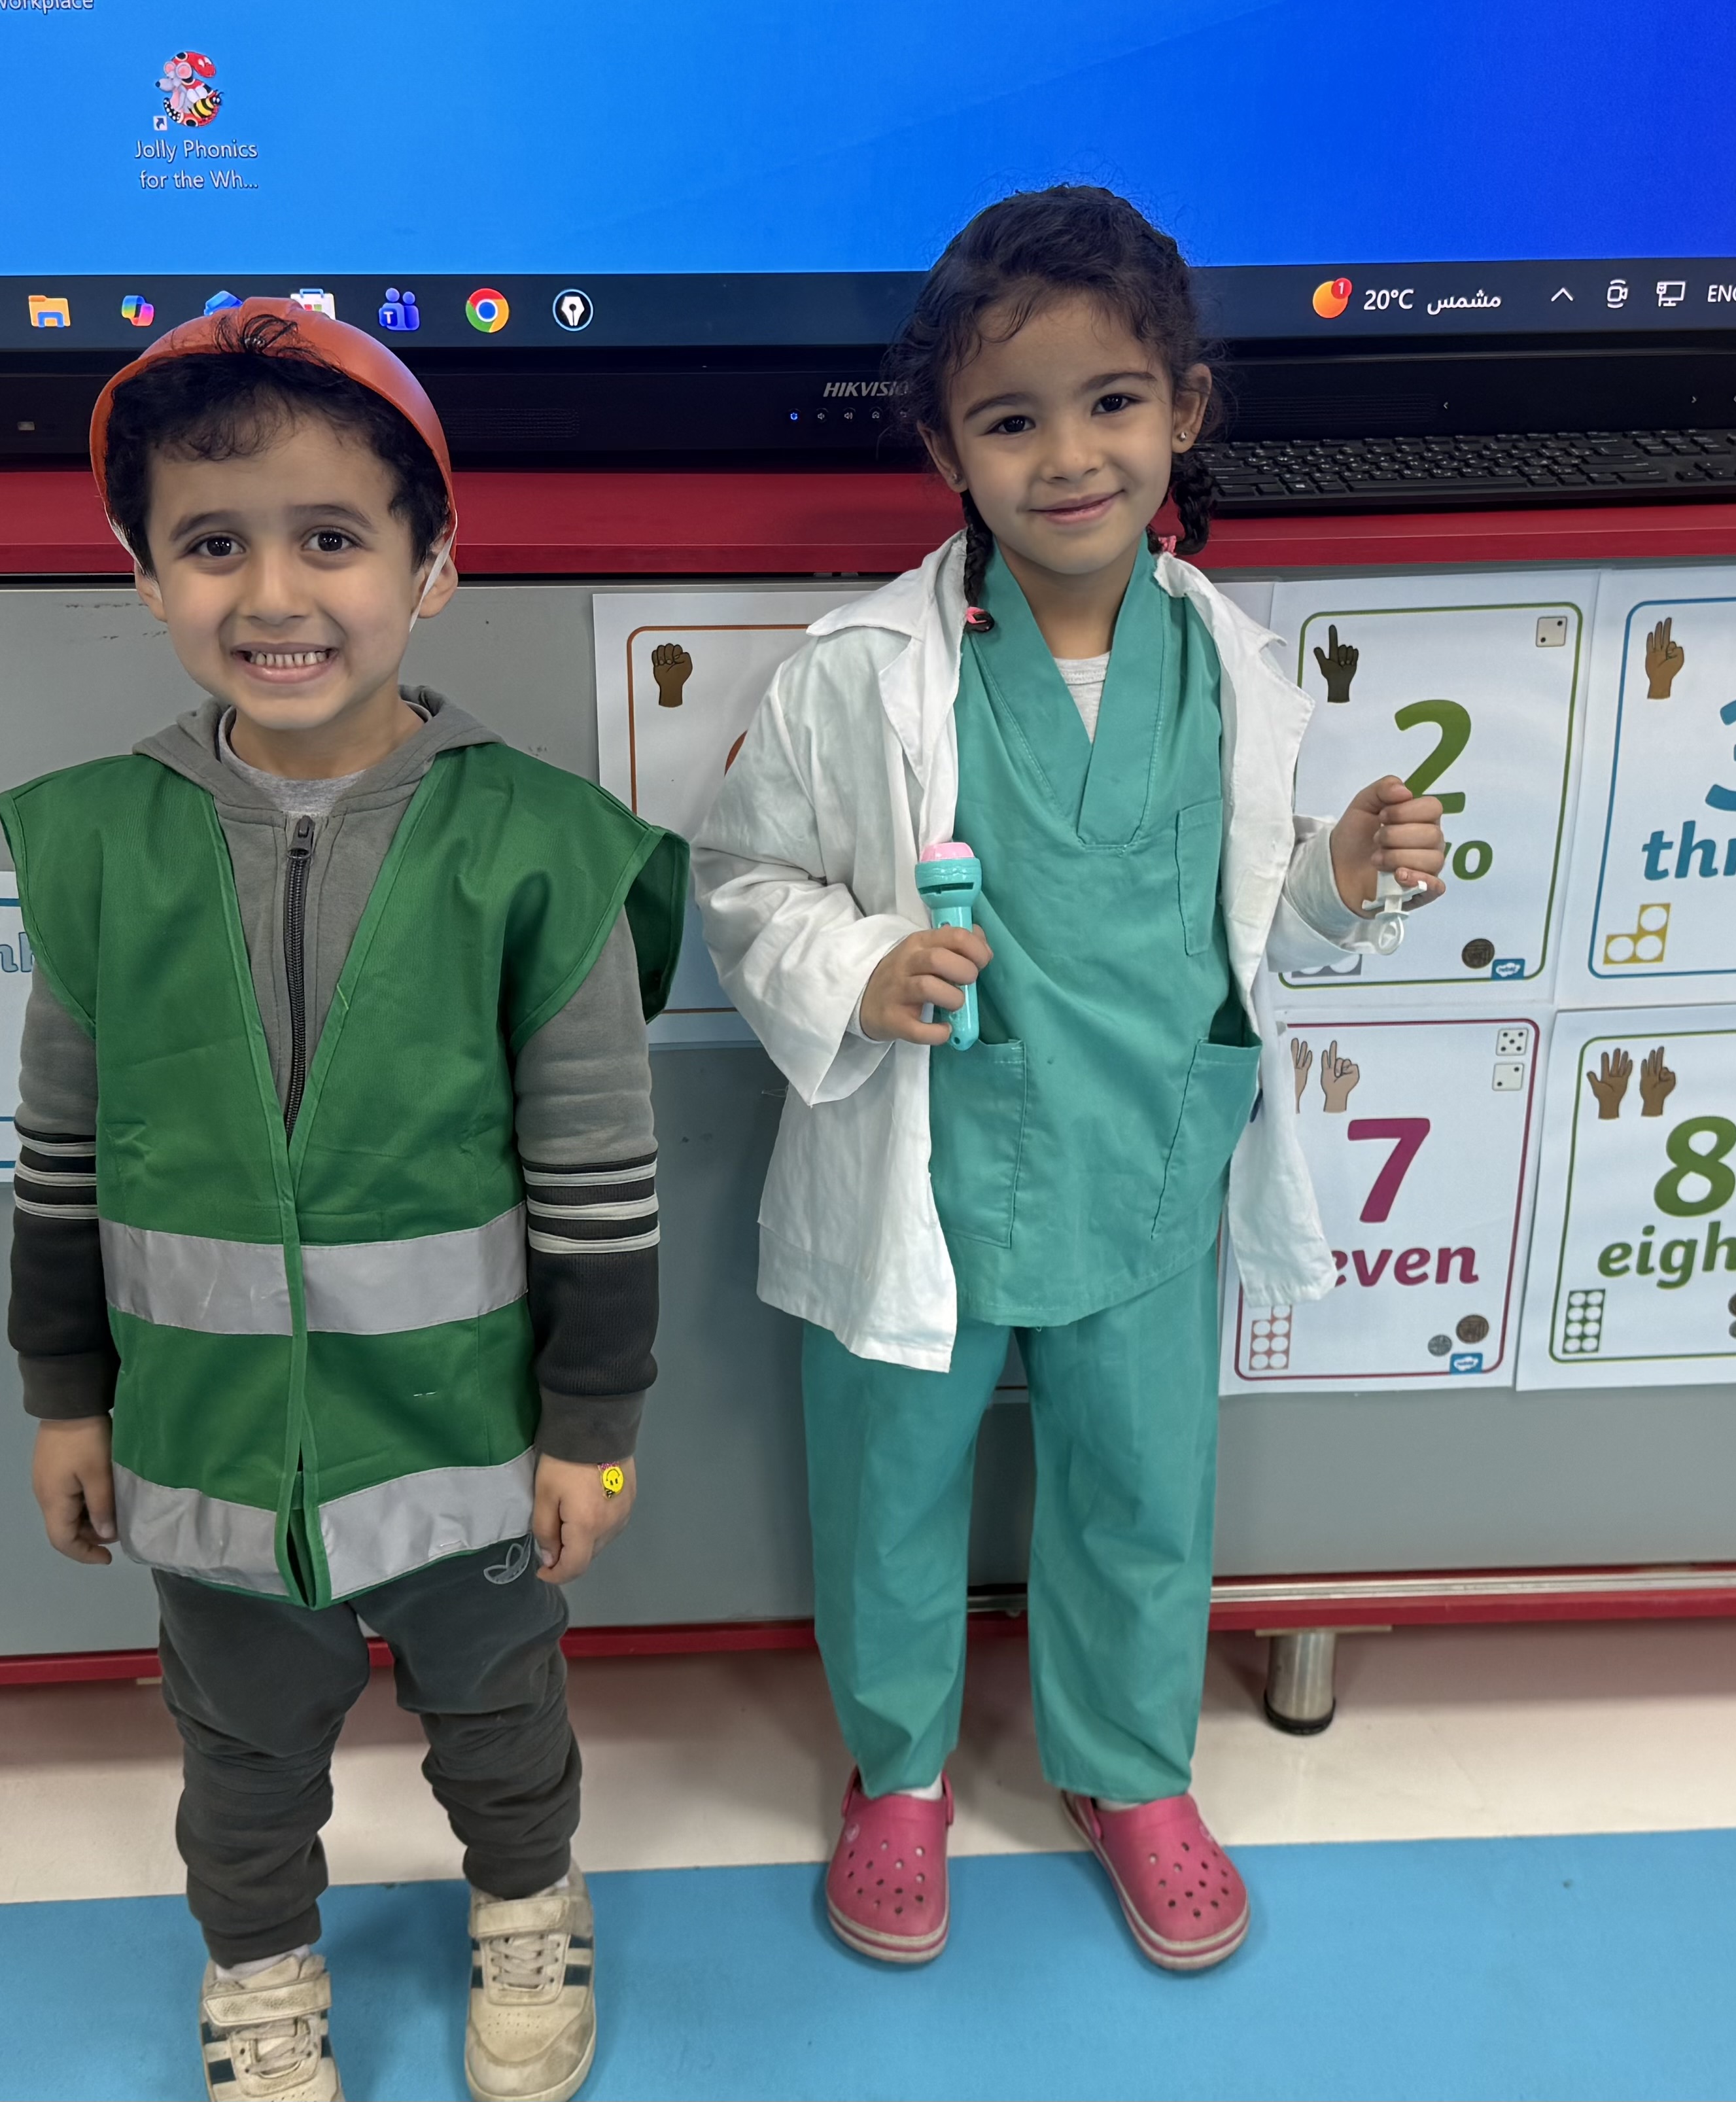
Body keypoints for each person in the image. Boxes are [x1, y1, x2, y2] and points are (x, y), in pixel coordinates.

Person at [695, 188, 1448, 1971]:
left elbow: (1245, 922)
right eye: (1011, 418)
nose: (1068, 455)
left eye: (1112, 402)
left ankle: (1130, 1769)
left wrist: (1340, 877)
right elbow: (744, 879)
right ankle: (899, 1775)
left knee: (1143, 1489)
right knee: (889, 1492)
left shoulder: (1232, 665)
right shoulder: (858, 674)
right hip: (931, 1164)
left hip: (1148, 1164)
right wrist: (857, 966)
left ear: (1185, 408)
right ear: (945, 449)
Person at [0, 300, 683, 2102]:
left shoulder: (539, 847)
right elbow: (60, 1153)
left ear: (431, 565)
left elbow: (601, 1175)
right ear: (146, 574)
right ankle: (259, 1972)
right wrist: (65, 1396)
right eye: (214, 544)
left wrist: (591, 1431)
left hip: (467, 1437)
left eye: (330, 537)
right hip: (210, 1442)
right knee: (238, 1750)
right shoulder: (100, 848)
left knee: (502, 1715)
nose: (274, 592)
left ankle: (529, 1908)